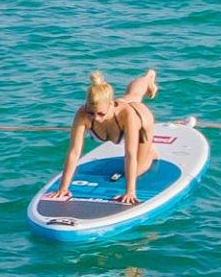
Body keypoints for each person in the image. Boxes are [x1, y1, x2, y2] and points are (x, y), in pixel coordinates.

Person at [48, 70, 159, 206]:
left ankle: (150, 153)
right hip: (117, 106)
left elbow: (130, 154)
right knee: (132, 95)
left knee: (136, 171)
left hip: (141, 120)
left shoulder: (127, 115)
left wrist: (130, 191)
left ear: (111, 104)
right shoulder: (83, 114)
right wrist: (63, 188)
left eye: (101, 114)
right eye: (91, 113)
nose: (96, 118)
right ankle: (148, 78)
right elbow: (74, 152)